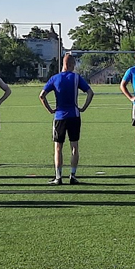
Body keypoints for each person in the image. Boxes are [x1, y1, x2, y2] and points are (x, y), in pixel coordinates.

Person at [40, 54, 94, 185]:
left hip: (60, 117)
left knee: (58, 148)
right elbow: (90, 92)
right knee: (74, 147)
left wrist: (50, 109)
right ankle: (73, 176)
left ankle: (58, 177)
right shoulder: (76, 78)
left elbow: (42, 95)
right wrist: (83, 107)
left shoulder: (54, 78)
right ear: (71, 65)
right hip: (74, 116)